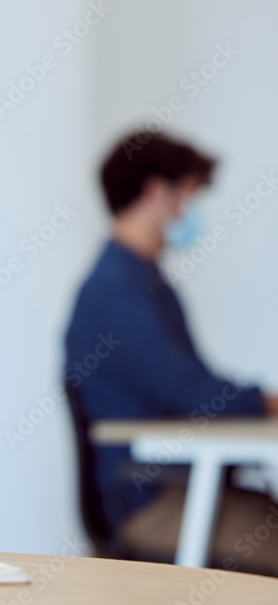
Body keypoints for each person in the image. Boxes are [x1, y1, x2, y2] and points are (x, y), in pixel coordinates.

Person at [63, 129, 278, 575]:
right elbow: (194, 394)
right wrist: (264, 401)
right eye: (189, 197)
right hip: (151, 501)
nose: (190, 213)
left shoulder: (142, 282)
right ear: (158, 192)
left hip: (177, 486)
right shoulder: (118, 291)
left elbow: (191, 390)